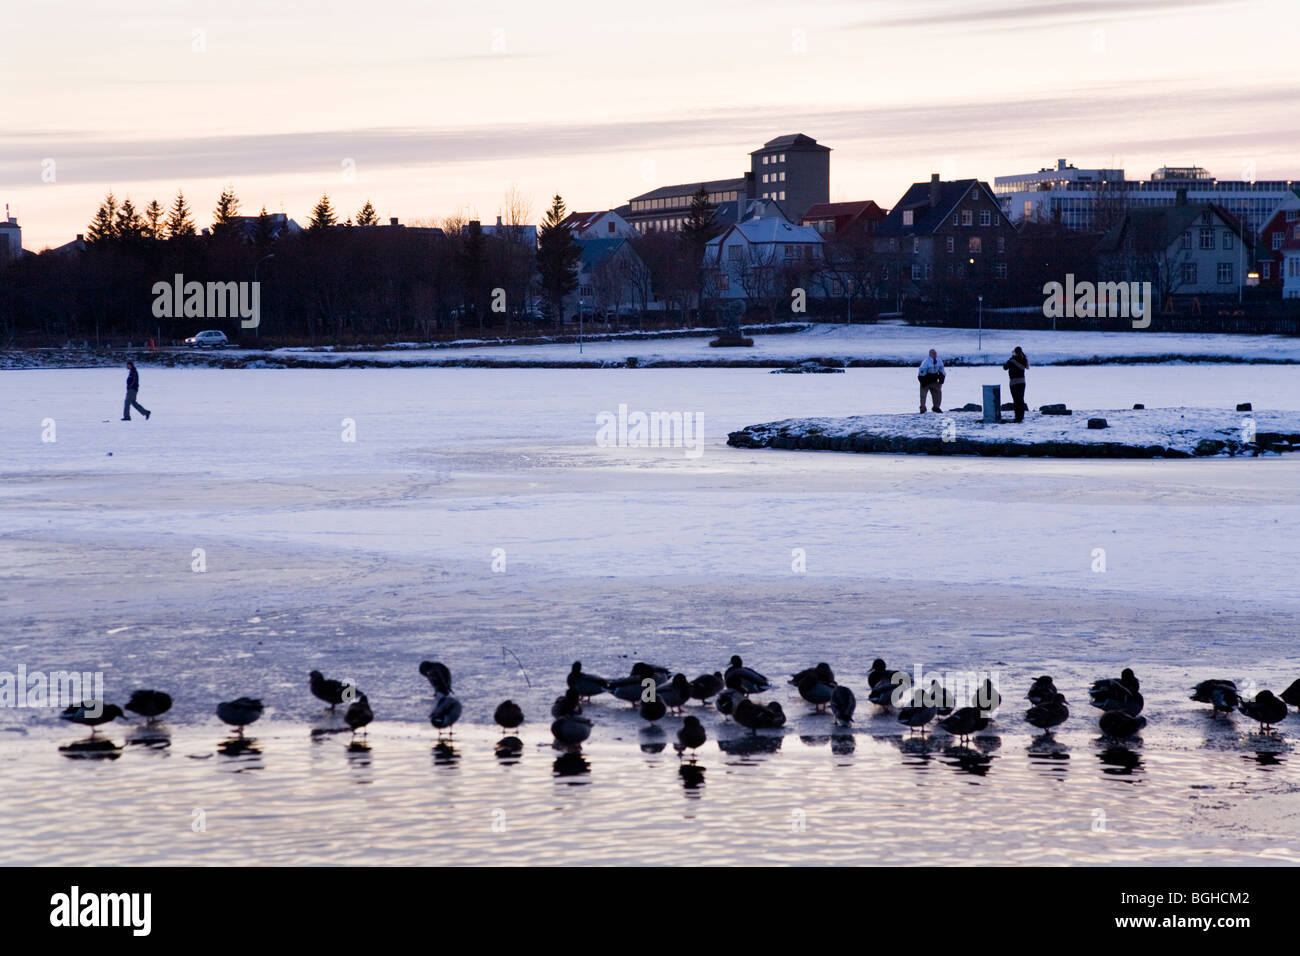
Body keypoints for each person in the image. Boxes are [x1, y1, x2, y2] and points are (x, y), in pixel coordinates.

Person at [1002, 347, 1028, 422]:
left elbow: (1004, 367)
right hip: (1022, 382)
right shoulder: (1023, 359)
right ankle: (1021, 416)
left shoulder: (1012, 361)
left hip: (1014, 382)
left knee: (1016, 400)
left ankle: (1017, 417)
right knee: (1021, 399)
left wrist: (1011, 359)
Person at [917, 349, 945, 413]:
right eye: (933, 353)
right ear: (930, 354)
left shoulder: (939, 361)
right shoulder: (926, 362)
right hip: (925, 380)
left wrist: (941, 382)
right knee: (923, 396)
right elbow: (921, 374)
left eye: (935, 353)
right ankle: (923, 408)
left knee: (938, 393)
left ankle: (936, 407)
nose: (934, 355)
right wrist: (923, 383)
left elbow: (942, 372)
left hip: (934, 381)